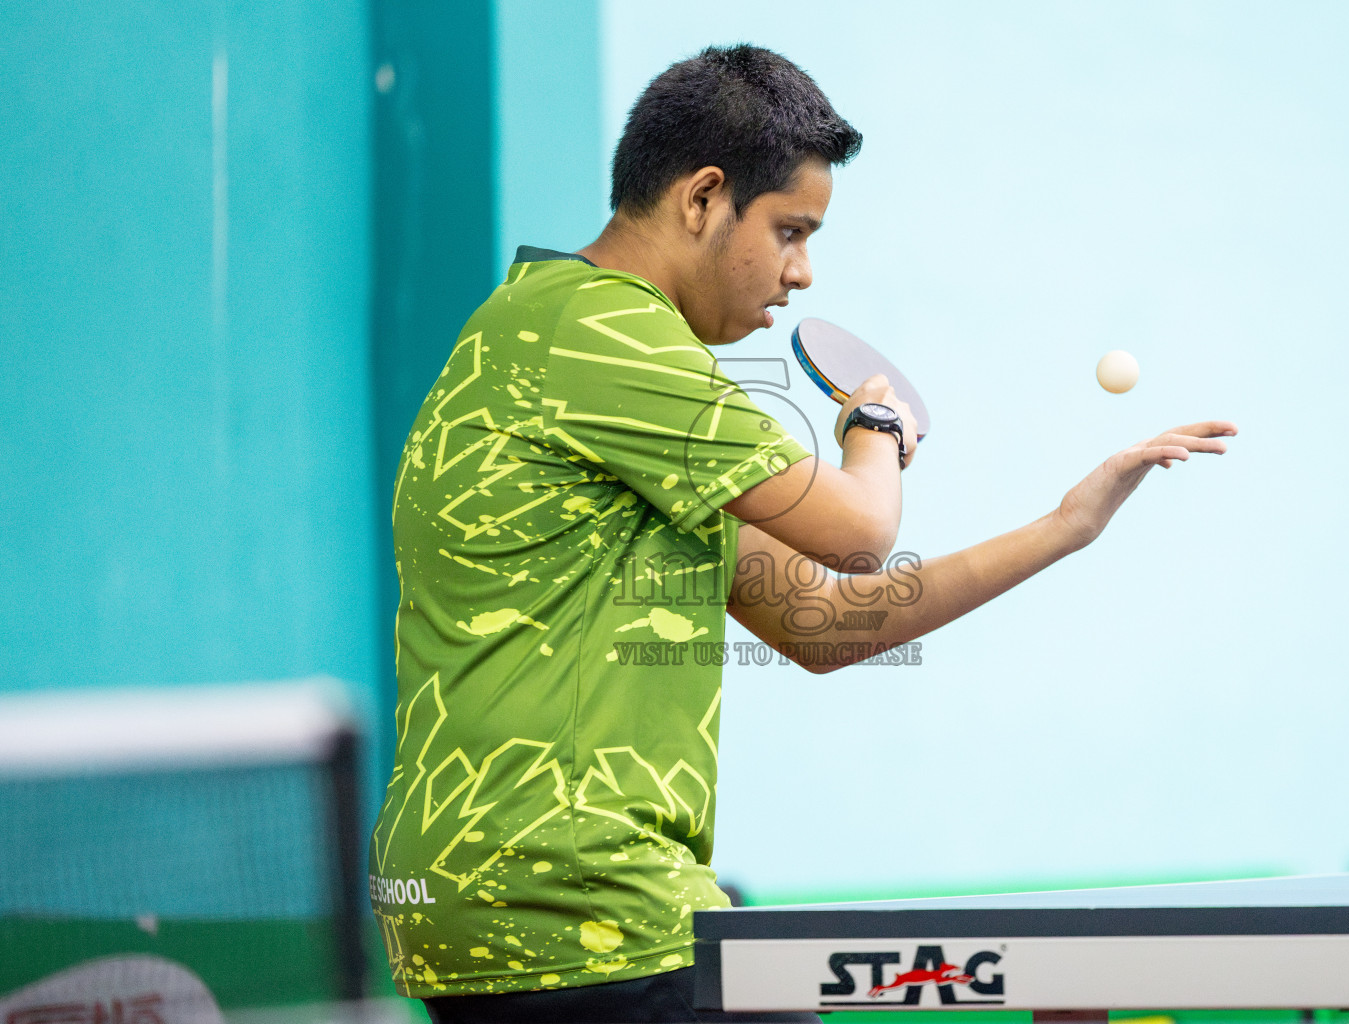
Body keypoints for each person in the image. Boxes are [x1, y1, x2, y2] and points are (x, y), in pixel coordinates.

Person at [368, 43, 1236, 1024]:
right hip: (576, 904)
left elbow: (826, 621)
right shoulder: (605, 332)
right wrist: (874, 428)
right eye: (790, 230)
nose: (804, 271)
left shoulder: (542, 335)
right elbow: (860, 532)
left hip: (484, 905)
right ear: (702, 199)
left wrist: (1066, 526)